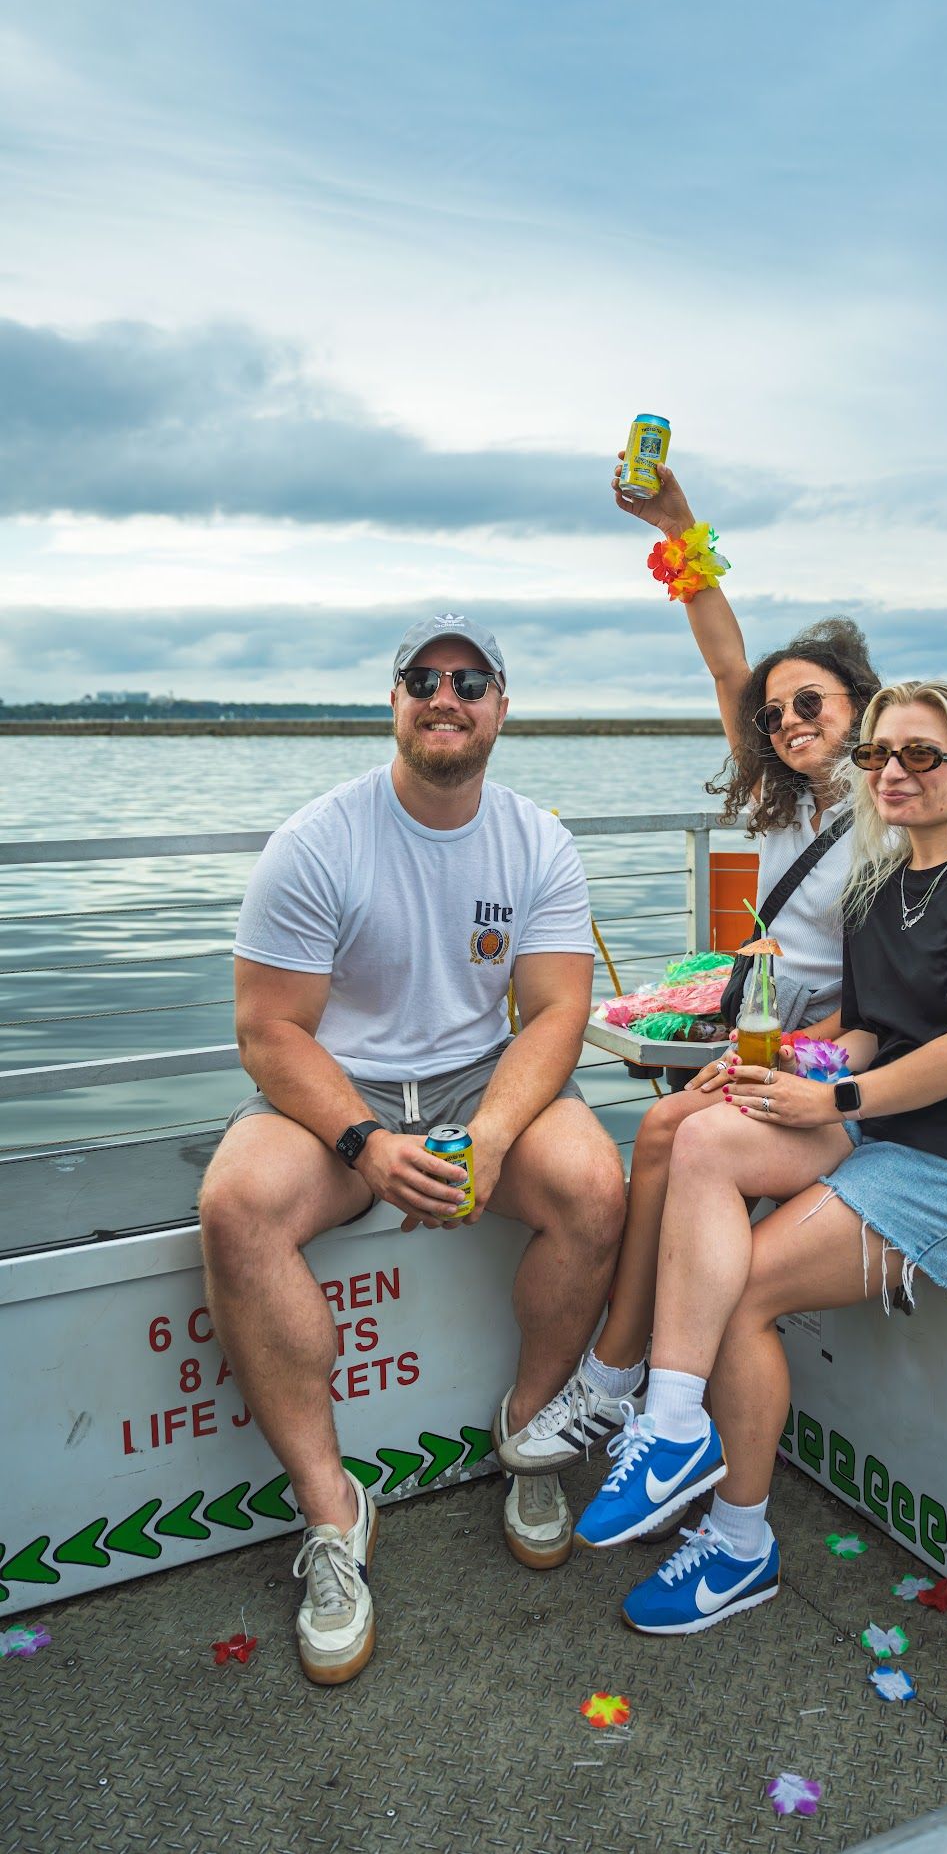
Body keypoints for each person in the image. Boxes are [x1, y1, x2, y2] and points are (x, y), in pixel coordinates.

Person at [572, 679, 947, 1633]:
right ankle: (671, 1426)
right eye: (878, 755)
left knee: (743, 1291)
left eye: (919, 754)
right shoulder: (880, 880)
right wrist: (774, 1067)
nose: (891, 772)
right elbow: (866, 1033)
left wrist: (832, 1098)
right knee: (699, 1134)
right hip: (883, 1118)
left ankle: (741, 1543)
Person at [199, 613, 626, 1684]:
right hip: (342, 1089)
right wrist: (360, 1139)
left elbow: (558, 1013)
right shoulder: (319, 840)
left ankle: (528, 1433)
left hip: (478, 1079)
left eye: (470, 679)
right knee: (237, 1207)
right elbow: (268, 1031)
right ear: (393, 701)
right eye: (423, 678)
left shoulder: (538, 841)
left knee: (592, 1181)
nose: (447, 695)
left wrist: (484, 1137)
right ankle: (335, 1517)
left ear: (501, 707)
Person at [495, 464, 879, 1490]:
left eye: (814, 704)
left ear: (864, 709)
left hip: (832, 1051)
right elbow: (726, 668)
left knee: (668, 1131)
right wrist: (678, 528)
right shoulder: (788, 798)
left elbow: (895, 993)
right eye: (779, 711)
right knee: (664, 1132)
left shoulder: (895, 814)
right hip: (764, 1025)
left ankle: (616, 1376)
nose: (790, 719)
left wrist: (793, 1056)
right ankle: (620, 1378)